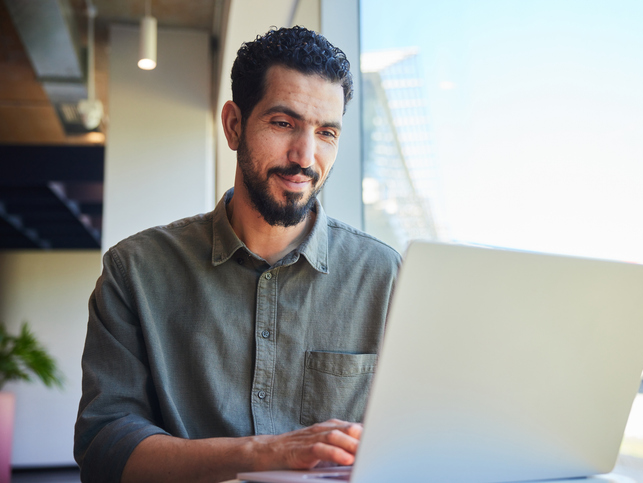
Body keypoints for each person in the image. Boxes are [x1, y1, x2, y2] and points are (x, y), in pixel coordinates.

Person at [74, 26, 400, 483]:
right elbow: (105, 447)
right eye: (283, 124)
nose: (305, 156)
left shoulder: (386, 276)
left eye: (326, 132)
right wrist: (265, 452)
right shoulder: (135, 270)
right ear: (233, 125)